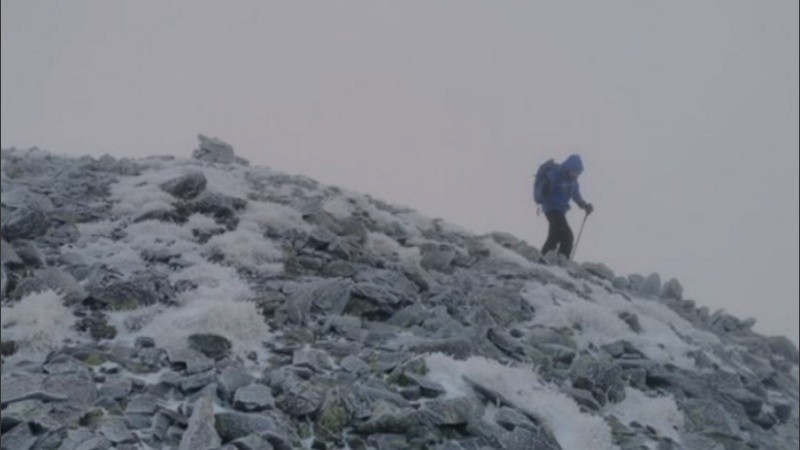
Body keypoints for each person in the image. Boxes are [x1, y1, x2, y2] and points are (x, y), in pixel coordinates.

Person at [535, 154, 594, 258]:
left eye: (578, 173)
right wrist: (546, 188)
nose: (575, 175)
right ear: (568, 168)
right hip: (551, 208)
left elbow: (576, 196)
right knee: (567, 237)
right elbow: (544, 192)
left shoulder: (573, 183)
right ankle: (561, 262)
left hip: (561, 210)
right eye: (574, 172)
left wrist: (585, 205)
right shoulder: (555, 174)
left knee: (554, 236)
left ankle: (543, 258)